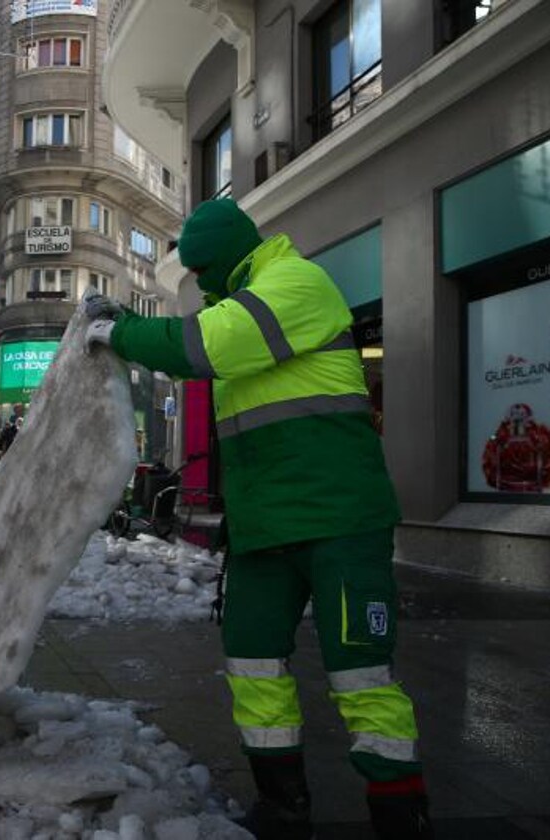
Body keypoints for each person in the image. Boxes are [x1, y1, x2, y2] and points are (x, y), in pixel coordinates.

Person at [84, 198, 431, 839]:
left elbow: (203, 345)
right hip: (265, 528)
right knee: (251, 664)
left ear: (225, 259)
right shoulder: (242, 297)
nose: (205, 286)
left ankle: (399, 810)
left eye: (205, 272)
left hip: (339, 520)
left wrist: (122, 330)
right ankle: (282, 801)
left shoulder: (296, 284)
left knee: (361, 674)